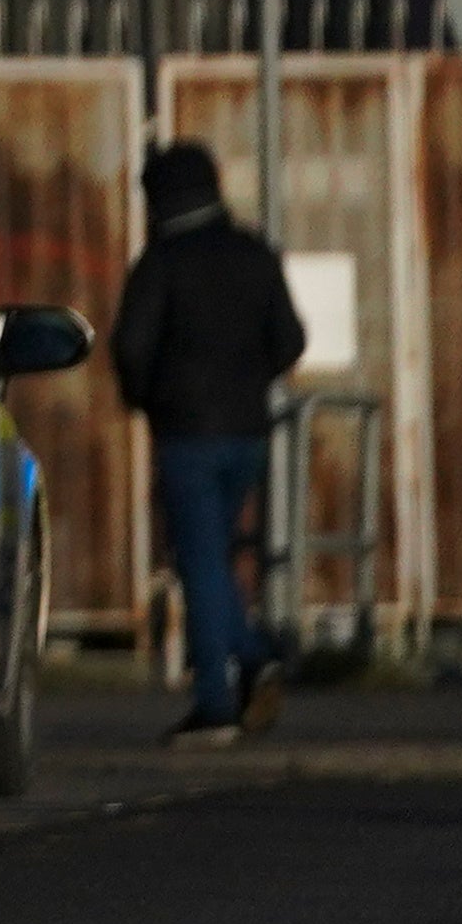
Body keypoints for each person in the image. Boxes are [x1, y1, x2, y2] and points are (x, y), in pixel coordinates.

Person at [108, 140, 307, 747]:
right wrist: (249, 380)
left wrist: (149, 398)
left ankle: (221, 700)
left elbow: (130, 347)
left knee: (199, 563)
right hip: (247, 433)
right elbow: (291, 340)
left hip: (185, 434)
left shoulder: (161, 262)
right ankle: (253, 657)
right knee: (214, 559)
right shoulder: (254, 253)